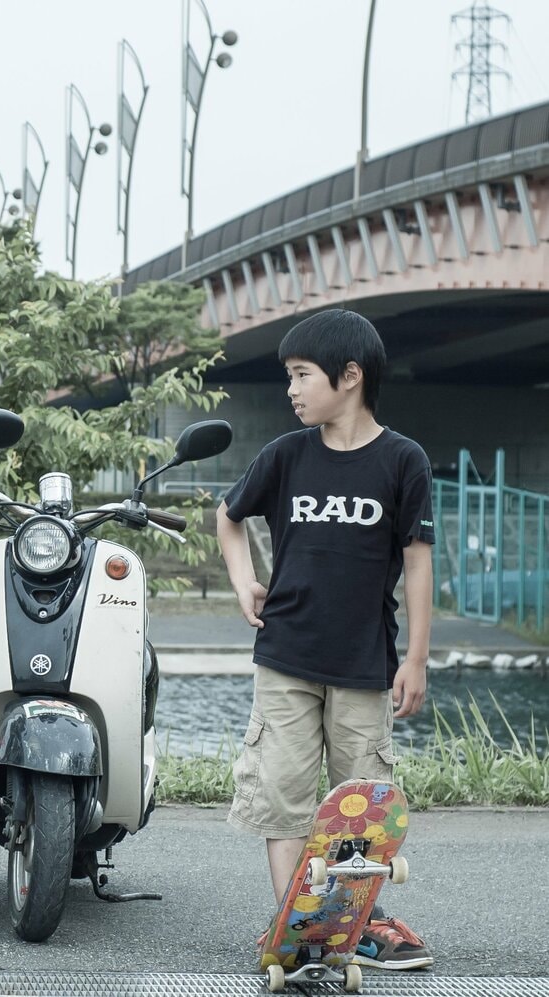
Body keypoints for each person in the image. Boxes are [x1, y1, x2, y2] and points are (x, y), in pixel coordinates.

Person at [216, 309, 434, 971]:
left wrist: (417, 658)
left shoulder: (402, 460)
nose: (292, 389)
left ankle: (350, 923)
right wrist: (245, 581)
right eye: (289, 376)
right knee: (283, 798)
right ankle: (297, 927)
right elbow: (227, 517)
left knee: (359, 812)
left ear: (349, 376)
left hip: (366, 664)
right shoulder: (285, 455)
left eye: (302, 375)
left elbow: (419, 561)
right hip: (285, 656)